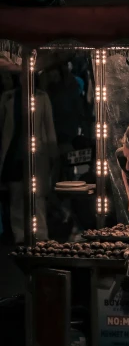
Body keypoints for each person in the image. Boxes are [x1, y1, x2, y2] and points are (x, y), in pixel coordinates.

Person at [0, 78, 57, 243]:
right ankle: (20, 235)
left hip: (35, 152)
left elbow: (48, 126)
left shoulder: (41, 97)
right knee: (17, 196)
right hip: (14, 152)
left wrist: (52, 152)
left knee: (37, 195)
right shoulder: (9, 98)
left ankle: (40, 234)